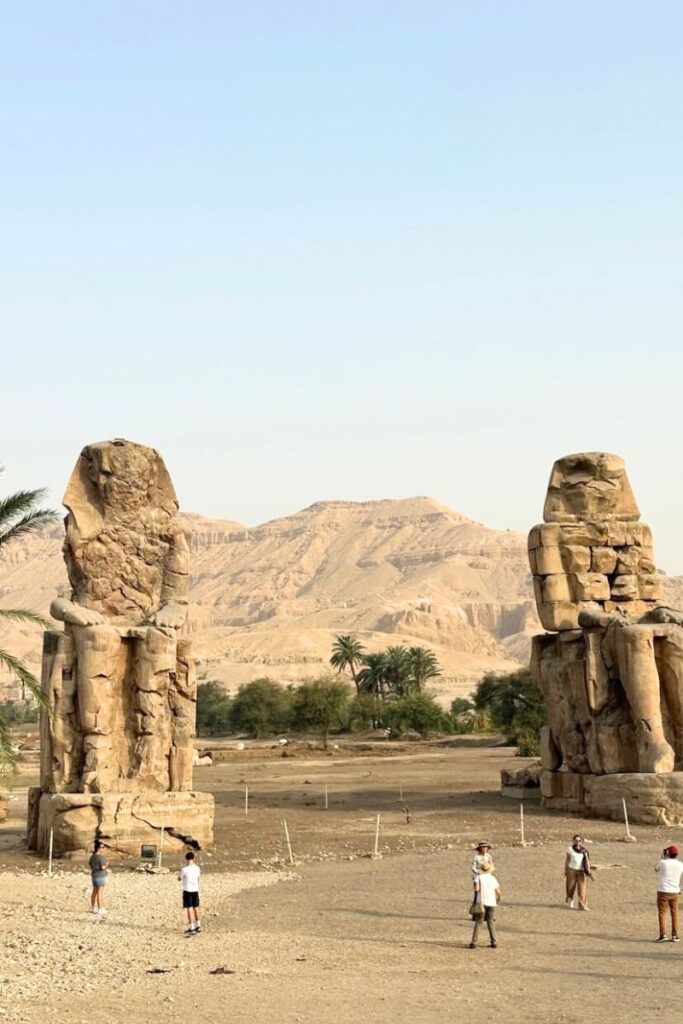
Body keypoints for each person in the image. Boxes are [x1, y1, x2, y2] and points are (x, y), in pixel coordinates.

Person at [469, 861, 500, 949]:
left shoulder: (478, 877)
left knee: (479, 922)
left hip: (482, 902)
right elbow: (498, 892)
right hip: (492, 902)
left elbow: (477, 889)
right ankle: (494, 941)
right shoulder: (493, 878)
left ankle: (474, 942)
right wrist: (498, 900)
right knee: (490, 921)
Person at [655, 845, 683, 942]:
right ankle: (675, 935)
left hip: (663, 891)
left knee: (662, 913)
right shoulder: (680, 864)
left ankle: (663, 935)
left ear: (667, 854)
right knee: (675, 914)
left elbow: (656, 869)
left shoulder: (663, 862)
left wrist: (662, 858)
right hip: (675, 891)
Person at [565, 834, 591, 910]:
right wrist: (566, 870)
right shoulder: (570, 849)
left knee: (582, 888)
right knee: (571, 886)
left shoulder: (584, 850)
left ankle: (582, 905)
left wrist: (588, 870)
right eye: (576, 841)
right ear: (573, 841)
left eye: (579, 841)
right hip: (572, 870)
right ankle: (570, 899)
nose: (578, 842)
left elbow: (587, 861)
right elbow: (567, 860)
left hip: (581, 871)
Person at [179, 849, 202, 934]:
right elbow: (198, 878)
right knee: (196, 907)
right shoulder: (197, 868)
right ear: (193, 858)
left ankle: (192, 927)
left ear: (186, 858)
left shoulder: (184, 869)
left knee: (189, 908)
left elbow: (179, 878)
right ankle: (198, 925)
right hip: (195, 889)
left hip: (187, 890)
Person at [88, 839, 108, 917]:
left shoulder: (92, 857)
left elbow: (90, 865)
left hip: (94, 876)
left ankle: (94, 908)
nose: (103, 849)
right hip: (101, 876)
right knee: (100, 892)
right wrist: (107, 864)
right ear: (98, 848)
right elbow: (102, 867)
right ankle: (100, 908)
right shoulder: (100, 857)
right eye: (102, 847)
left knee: (94, 892)